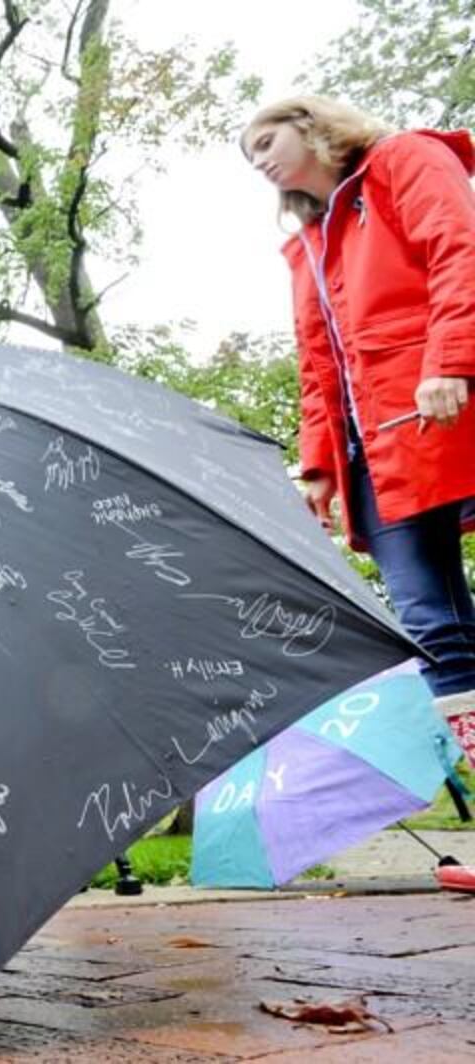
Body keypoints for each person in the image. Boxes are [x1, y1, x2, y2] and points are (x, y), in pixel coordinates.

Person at [242, 96, 475, 892]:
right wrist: (317, 466)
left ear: (310, 124)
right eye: (251, 157)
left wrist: (451, 359)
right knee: (431, 626)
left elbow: (459, 248)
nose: (260, 160)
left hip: (451, 402)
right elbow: (317, 360)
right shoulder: (305, 243)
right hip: (377, 448)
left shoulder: (407, 159)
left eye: (266, 140)